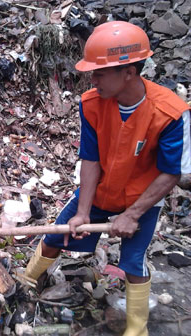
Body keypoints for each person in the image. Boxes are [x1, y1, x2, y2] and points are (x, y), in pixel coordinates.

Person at [24, 21, 190, 336]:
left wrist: (133, 214)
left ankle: (136, 330)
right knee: (55, 237)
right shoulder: (91, 103)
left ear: (128, 71)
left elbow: (170, 173)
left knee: (134, 263)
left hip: (142, 198)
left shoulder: (170, 113)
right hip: (99, 192)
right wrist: (84, 211)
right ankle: (27, 281)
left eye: (99, 72)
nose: (92, 78)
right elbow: (90, 158)